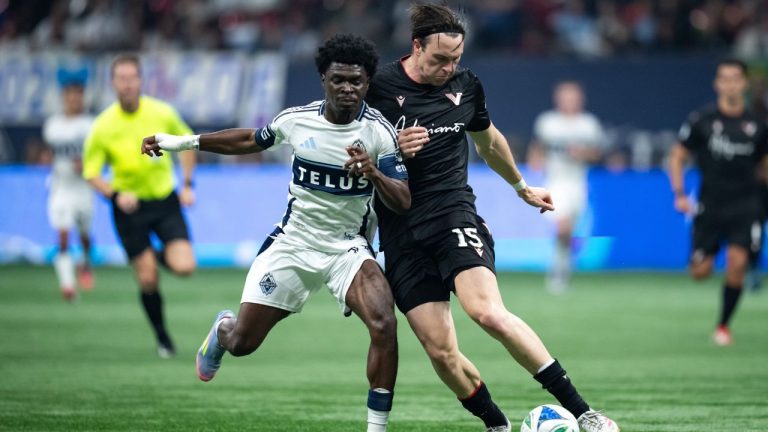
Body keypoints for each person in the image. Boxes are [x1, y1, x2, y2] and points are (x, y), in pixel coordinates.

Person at [364, 4, 619, 432]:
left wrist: (521, 186)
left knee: (487, 312)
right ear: (416, 46)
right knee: (441, 351)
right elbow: (349, 151)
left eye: (456, 58)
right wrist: (389, 148)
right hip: (400, 230)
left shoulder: (466, 86)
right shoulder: (379, 88)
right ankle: (497, 425)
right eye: (440, 59)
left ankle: (584, 413)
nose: (449, 68)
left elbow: (489, 141)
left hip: (452, 214)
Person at [141, 34, 409, 432]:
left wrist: (373, 173)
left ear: (367, 82)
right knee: (242, 344)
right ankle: (222, 331)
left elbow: (402, 200)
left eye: (356, 81)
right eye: (338, 79)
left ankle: (376, 428)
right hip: (293, 242)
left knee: (384, 323)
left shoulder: (379, 133)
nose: (347, 88)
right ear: (323, 79)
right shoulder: (296, 120)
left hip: (347, 248)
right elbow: (249, 140)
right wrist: (180, 143)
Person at [83, 54, 197, 358]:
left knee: (185, 267)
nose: (127, 84)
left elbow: (188, 143)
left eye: (132, 78)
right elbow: (91, 172)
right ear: (112, 83)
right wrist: (114, 195)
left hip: (164, 201)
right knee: (147, 279)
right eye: (121, 78)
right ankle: (163, 337)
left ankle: (150, 256)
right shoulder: (103, 125)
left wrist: (187, 184)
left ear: (141, 80)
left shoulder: (162, 112)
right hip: (128, 209)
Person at [668, 58, 768, 346]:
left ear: (744, 83)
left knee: (737, 263)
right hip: (710, 204)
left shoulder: (758, 125)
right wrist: (679, 193)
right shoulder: (702, 120)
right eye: (724, 78)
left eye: (735, 78)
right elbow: (677, 156)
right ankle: (714, 261)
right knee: (700, 272)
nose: (730, 84)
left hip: (747, 204)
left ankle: (723, 325)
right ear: (717, 84)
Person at [528, 81, 605, 293]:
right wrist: (535, 165)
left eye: (573, 97)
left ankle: (563, 266)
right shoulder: (547, 122)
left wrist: (582, 153)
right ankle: (558, 272)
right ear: (558, 99)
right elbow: (538, 147)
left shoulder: (588, 124)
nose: (570, 101)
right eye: (566, 97)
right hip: (555, 182)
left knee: (568, 231)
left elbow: (597, 155)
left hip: (578, 183)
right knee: (562, 227)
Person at [44, 68, 96, 301]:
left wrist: (86, 164)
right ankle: (67, 285)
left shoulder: (90, 125)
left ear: (82, 97)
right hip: (61, 188)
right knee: (63, 235)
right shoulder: (52, 125)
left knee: (84, 236)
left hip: (84, 188)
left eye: (77, 94)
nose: (73, 99)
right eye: (69, 94)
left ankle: (85, 261)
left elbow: (98, 155)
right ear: (63, 97)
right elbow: (50, 154)